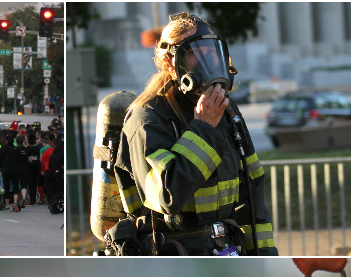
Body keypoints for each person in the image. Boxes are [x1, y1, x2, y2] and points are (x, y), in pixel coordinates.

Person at [112, 12, 277, 255]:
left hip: (226, 252)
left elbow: (251, 196)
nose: (207, 60)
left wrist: (262, 255)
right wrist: (203, 129)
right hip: (172, 255)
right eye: (194, 53)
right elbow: (167, 196)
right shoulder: (147, 120)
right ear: (170, 63)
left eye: (211, 52)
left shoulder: (226, 112)